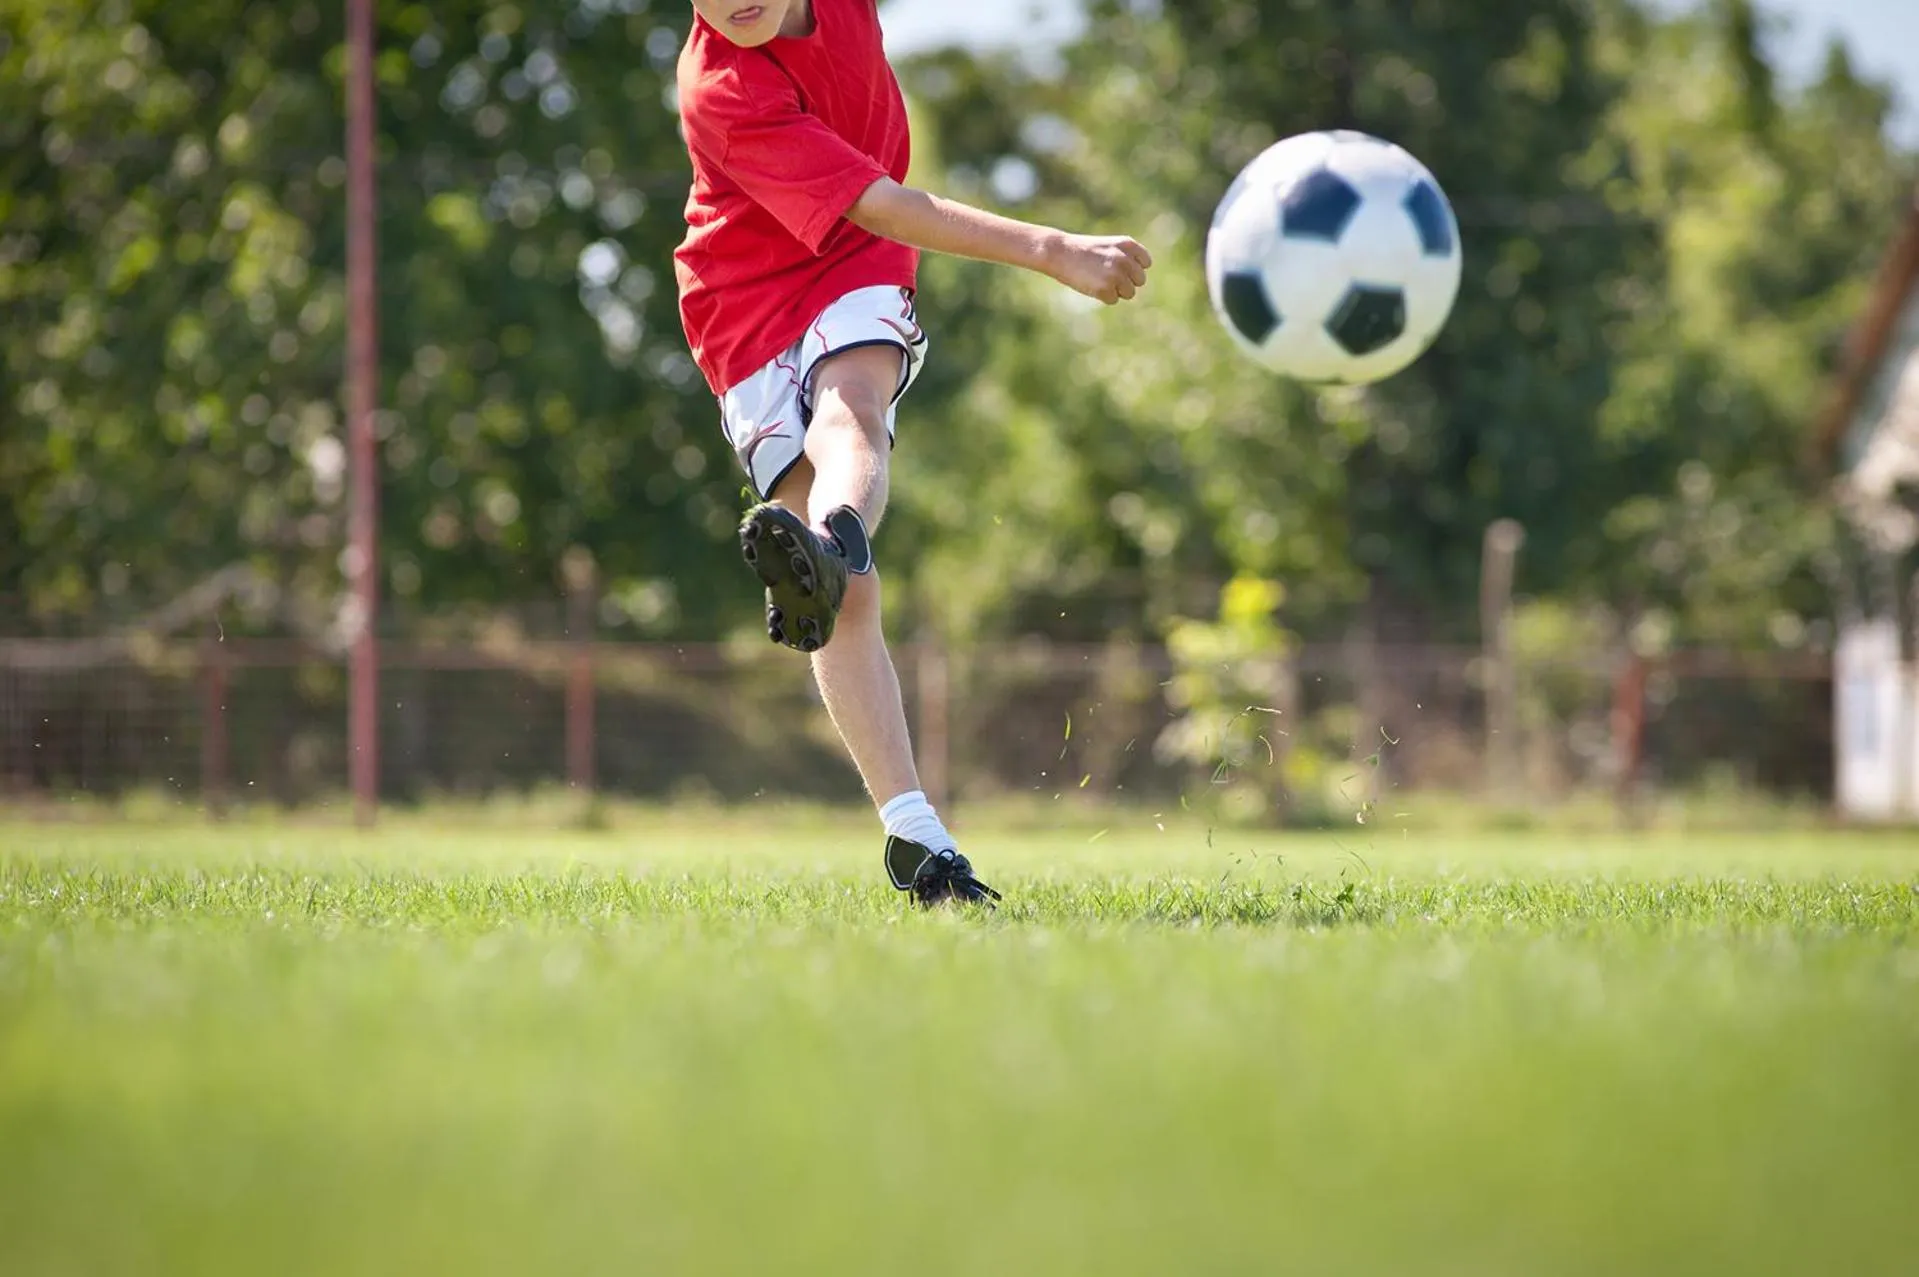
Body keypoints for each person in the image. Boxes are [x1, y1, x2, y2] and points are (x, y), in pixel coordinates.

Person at [674, 0, 1152, 906]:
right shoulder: (721, 88)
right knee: (849, 601)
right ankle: (917, 840)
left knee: (852, 407)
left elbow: (871, 226)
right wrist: (1052, 249)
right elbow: (882, 200)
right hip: (741, 307)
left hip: (856, 262)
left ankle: (833, 541)